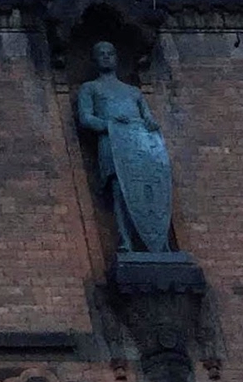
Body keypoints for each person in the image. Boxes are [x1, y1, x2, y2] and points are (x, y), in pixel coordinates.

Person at [74, 39, 176, 255]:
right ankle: (125, 240)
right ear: (94, 59)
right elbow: (86, 118)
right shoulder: (90, 88)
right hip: (112, 143)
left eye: (110, 53)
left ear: (116, 57)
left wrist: (150, 125)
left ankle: (159, 241)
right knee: (120, 190)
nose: (106, 57)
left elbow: (148, 118)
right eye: (101, 53)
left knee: (151, 189)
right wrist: (110, 124)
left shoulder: (133, 92)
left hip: (139, 147)